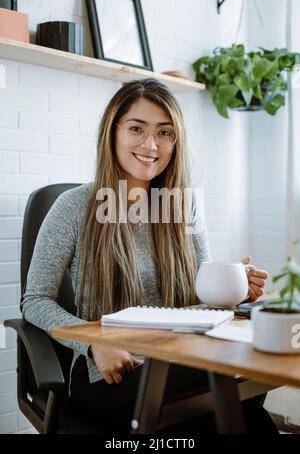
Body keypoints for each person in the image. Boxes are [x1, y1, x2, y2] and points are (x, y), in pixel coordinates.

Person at [22, 78, 277, 434]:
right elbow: (35, 300)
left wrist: (234, 289)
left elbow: (199, 294)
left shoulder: (185, 205)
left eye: (165, 132)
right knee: (229, 402)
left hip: (179, 358)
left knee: (246, 403)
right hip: (111, 371)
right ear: (113, 132)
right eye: (136, 129)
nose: (150, 144)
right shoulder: (74, 207)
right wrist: (93, 344)